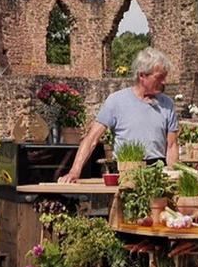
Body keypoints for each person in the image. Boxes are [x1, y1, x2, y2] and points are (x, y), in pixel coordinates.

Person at [58, 47, 179, 183]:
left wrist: (172, 177)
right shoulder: (117, 101)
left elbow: (172, 145)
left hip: (157, 172)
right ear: (142, 75)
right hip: (124, 173)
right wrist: (75, 171)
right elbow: (92, 139)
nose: (164, 82)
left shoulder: (167, 104)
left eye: (164, 77)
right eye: (159, 77)